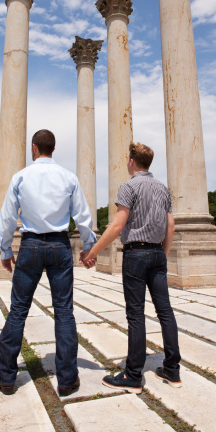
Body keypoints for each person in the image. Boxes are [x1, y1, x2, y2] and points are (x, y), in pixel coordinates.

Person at [0, 129, 96, 396]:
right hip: (59, 245)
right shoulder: (68, 177)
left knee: (18, 310)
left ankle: (6, 378)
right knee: (64, 311)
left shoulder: (21, 177)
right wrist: (89, 247)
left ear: (34, 147)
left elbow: (7, 218)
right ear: (53, 148)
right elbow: (83, 216)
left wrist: (5, 249)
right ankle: (67, 380)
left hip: (30, 245)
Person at [81, 142, 181, 394]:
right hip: (158, 252)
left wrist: (93, 252)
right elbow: (170, 227)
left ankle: (133, 374)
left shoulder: (128, 187)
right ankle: (172, 369)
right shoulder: (162, 189)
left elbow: (116, 226)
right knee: (165, 311)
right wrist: (162, 255)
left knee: (135, 314)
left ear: (132, 161)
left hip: (136, 254)